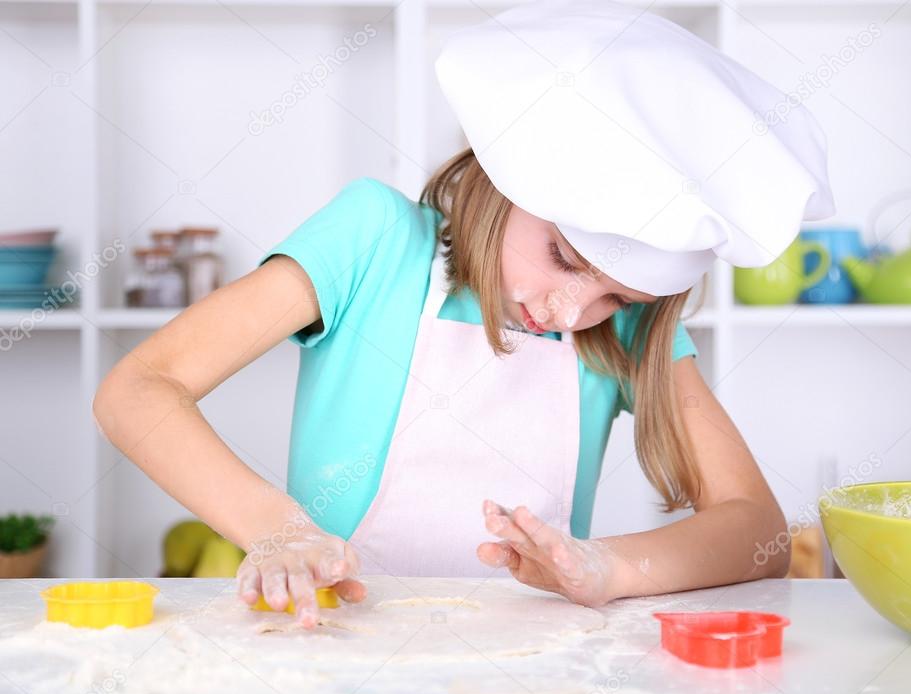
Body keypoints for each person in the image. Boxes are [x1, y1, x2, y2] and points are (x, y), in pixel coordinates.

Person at [93, 0, 835, 630]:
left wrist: (605, 566)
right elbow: (139, 388)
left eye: (618, 296)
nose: (571, 311)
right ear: (506, 177)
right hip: (333, 641)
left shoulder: (628, 331)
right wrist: (277, 529)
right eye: (565, 259)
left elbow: (754, 524)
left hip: (530, 658)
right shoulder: (375, 240)